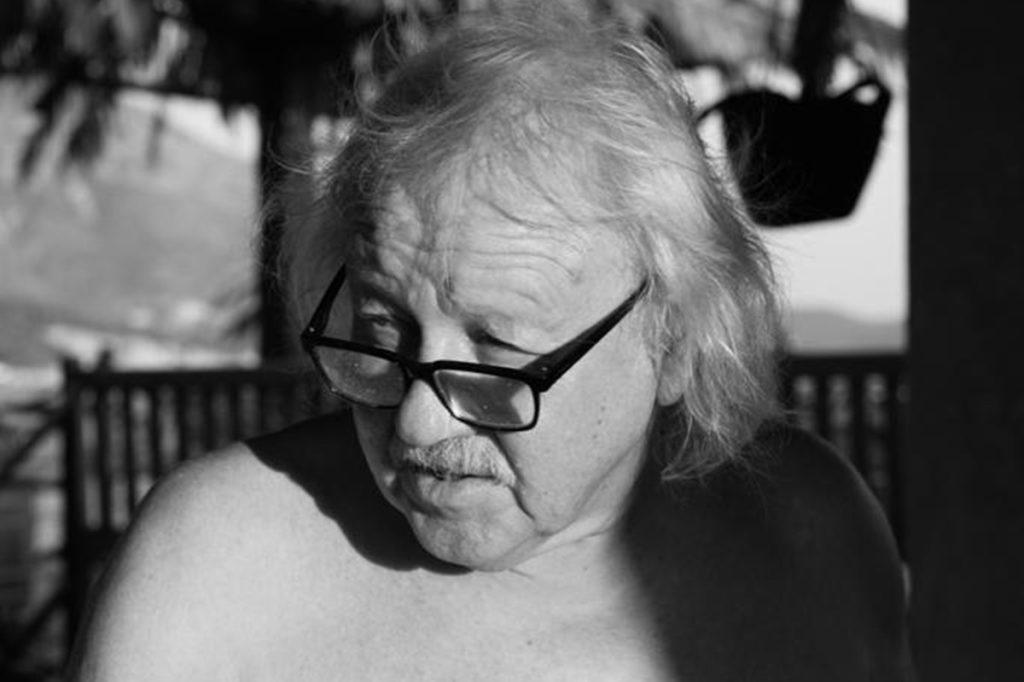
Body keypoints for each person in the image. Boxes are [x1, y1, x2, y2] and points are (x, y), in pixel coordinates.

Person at [68, 7, 913, 681]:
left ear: (674, 339)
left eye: (498, 353)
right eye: (381, 331)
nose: (418, 424)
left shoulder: (807, 535)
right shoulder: (218, 567)